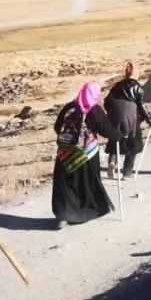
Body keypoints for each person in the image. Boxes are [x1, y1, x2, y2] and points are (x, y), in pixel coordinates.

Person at [52, 82, 117, 226]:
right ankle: (82, 214)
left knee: (66, 185)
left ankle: (62, 215)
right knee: (84, 184)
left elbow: (57, 127)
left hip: (65, 152)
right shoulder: (94, 110)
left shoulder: (69, 107)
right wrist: (118, 135)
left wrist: (70, 139)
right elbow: (106, 130)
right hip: (86, 154)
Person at [104, 62, 151, 179]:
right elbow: (142, 107)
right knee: (133, 147)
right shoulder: (138, 88)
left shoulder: (116, 86)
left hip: (115, 120)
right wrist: (150, 119)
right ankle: (127, 172)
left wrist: (113, 113)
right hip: (132, 121)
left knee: (115, 142)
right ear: (136, 73)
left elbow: (107, 103)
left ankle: (112, 161)